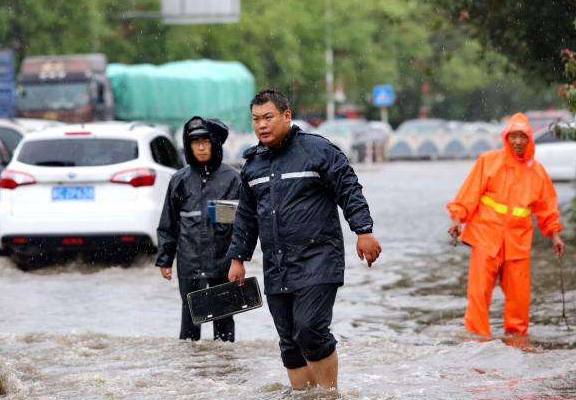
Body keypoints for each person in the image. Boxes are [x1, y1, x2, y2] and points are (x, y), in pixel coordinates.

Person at [227, 89, 382, 390]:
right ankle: (304, 397)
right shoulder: (253, 165)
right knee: (289, 342)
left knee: (310, 330)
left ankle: (329, 395)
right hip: (277, 265)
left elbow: (349, 189)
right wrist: (237, 258)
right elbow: (246, 216)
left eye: (268, 117)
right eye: (256, 119)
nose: (262, 125)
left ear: (287, 116)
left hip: (319, 260)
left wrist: (363, 231)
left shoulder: (318, 151)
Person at [447, 112, 566, 340]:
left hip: (518, 244)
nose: (518, 141)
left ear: (530, 139)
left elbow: (547, 208)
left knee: (519, 302)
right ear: (506, 137)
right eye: (514, 136)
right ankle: (478, 343)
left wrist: (555, 235)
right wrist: (457, 220)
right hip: (486, 238)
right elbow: (468, 195)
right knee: (478, 296)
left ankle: (517, 344)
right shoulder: (489, 162)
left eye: (523, 136)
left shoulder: (537, 173)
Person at [156, 116, 241, 342]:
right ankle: (192, 371)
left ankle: (224, 372)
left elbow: (245, 224)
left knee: (224, 328)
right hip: (189, 263)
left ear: (215, 144)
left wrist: (239, 260)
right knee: (190, 326)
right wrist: (165, 259)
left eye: (206, 141)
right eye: (195, 143)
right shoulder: (179, 180)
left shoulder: (233, 178)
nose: (201, 147)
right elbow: (169, 223)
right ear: (188, 145)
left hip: (223, 262)